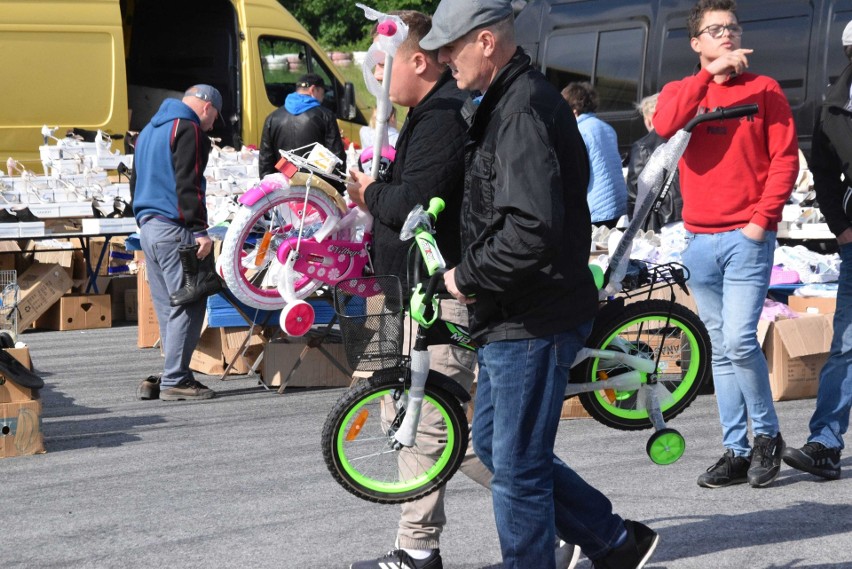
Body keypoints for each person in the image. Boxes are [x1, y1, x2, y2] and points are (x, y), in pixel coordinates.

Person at [423, 1, 659, 568]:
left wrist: (466, 275)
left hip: (531, 315)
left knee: (519, 467)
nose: (442, 59)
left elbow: (530, 229)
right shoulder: (508, 101)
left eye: (450, 47)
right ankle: (614, 542)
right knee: (503, 451)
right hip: (519, 309)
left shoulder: (521, 108)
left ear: (485, 42)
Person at [346, 12, 494, 569]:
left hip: (426, 293)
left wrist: (370, 193)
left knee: (431, 422)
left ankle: (417, 548)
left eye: (381, 65)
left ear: (418, 59)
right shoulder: (422, 116)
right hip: (396, 292)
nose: (375, 77)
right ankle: (562, 514)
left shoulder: (441, 118)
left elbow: (415, 206)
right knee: (402, 416)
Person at [653, 0, 799, 488]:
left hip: (746, 237)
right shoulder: (684, 92)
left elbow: (785, 159)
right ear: (697, 43)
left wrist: (762, 220)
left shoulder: (764, 89)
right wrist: (708, 75)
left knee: (738, 340)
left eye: (732, 28)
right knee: (720, 346)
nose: (728, 35)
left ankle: (767, 437)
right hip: (697, 239)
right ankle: (735, 450)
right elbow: (664, 124)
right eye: (715, 30)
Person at [781, 20, 852, 481]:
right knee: (845, 345)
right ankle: (825, 443)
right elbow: (823, 173)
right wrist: (841, 227)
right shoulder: (833, 106)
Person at [131, 85, 222, 401]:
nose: (212, 125)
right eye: (214, 118)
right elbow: (190, 183)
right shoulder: (190, 129)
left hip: (149, 229)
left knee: (170, 305)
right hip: (175, 228)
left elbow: (135, 181)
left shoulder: (146, 132)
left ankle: (173, 374)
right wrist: (200, 231)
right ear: (207, 107)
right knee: (190, 301)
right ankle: (175, 379)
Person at [561, 82, 628, 228]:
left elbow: (575, 174)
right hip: (619, 204)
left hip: (596, 207)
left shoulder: (578, 131)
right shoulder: (607, 128)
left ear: (573, 111)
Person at [258, 73, 345, 180]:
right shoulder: (325, 116)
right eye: (322, 94)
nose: (322, 99)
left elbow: (265, 159)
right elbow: (336, 156)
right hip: (316, 188)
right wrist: (338, 189)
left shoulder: (272, 118)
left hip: (285, 187)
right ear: (313, 90)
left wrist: (269, 188)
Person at [625, 93, 683, 231]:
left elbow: (635, 193)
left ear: (650, 119)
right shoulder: (687, 137)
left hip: (661, 222)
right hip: (689, 216)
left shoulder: (643, 146)